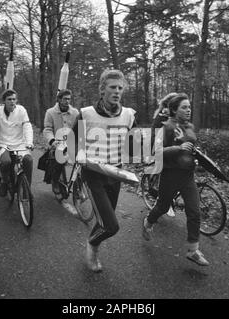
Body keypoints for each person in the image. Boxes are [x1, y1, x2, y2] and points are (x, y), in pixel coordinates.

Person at [72, 69, 137, 272]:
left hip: (115, 174)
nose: (117, 91)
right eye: (112, 87)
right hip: (93, 174)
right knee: (111, 225)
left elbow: (132, 145)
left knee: (104, 221)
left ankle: (94, 243)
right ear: (102, 89)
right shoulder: (86, 114)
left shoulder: (129, 115)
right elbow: (73, 144)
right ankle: (92, 247)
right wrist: (80, 156)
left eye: (120, 88)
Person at [142, 93, 210, 266]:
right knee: (163, 207)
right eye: (184, 107)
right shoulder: (165, 127)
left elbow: (191, 146)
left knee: (194, 211)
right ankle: (148, 222)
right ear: (173, 109)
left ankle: (193, 250)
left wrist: (199, 157)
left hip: (188, 175)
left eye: (189, 107)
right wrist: (177, 147)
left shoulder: (190, 126)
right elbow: (156, 152)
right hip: (170, 174)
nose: (188, 110)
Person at [0, 89, 34, 197]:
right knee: (5, 162)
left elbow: (27, 126)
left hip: (20, 143)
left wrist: (29, 142)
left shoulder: (21, 110)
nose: (12, 101)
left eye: (14, 99)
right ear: (4, 101)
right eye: (9, 99)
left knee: (28, 160)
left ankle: (26, 189)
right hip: (3, 144)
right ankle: (4, 182)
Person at [43, 89, 79, 201]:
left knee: (82, 161)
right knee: (58, 159)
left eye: (69, 99)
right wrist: (52, 141)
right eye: (65, 99)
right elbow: (47, 129)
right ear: (59, 99)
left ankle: (79, 186)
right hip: (56, 143)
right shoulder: (50, 112)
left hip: (71, 142)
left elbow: (78, 130)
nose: (67, 101)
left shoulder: (75, 113)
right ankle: (55, 182)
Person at [151, 92, 179, 217]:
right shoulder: (162, 115)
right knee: (167, 176)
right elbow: (156, 135)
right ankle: (163, 201)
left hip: (172, 148)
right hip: (159, 147)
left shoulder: (176, 116)